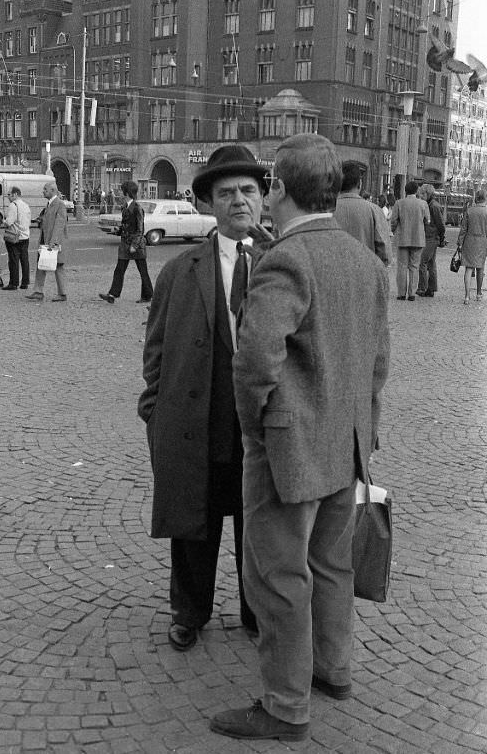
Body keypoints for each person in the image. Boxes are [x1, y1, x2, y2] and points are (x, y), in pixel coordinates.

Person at [210, 133, 390, 743]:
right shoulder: (366, 261)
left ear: (280, 188)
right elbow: (377, 363)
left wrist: (253, 430)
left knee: (279, 576)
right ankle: (332, 670)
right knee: (332, 564)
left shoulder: (287, 258)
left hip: (289, 444)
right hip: (348, 442)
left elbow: (255, 359)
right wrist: (364, 429)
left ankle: (286, 706)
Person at [138, 145, 269, 653]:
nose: (239, 201)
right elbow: (156, 348)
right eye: (226, 193)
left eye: (248, 191)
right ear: (209, 204)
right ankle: (189, 611)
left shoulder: (280, 264)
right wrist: (154, 410)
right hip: (197, 417)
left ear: (263, 198)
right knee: (195, 522)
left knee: (258, 526)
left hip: (257, 426)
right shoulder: (180, 270)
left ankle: (256, 612)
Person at [99, 179, 153, 304]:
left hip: (136, 245)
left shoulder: (137, 208)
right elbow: (126, 226)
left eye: (122, 191)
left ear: (127, 193)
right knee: (119, 270)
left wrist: (134, 245)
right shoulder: (126, 207)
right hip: (125, 244)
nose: (121, 193)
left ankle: (148, 295)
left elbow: (140, 229)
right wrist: (118, 230)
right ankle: (112, 294)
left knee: (143, 271)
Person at [334, 163, 391, 265]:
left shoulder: (327, 210)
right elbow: (385, 253)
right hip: (366, 272)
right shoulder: (374, 210)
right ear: (359, 183)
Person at [26, 181, 69, 302]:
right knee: (41, 265)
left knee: (58, 266)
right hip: (45, 241)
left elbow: (60, 224)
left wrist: (53, 241)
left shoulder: (59, 204)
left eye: (45, 189)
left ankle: (62, 293)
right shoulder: (49, 204)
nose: (43, 191)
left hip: (53, 242)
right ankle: (38, 291)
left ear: (53, 191)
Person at [391, 180, 430, 300]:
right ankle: (412, 293)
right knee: (414, 266)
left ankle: (401, 293)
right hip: (418, 238)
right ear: (416, 191)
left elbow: (393, 221)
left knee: (402, 266)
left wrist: (394, 230)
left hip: (403, 238)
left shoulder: (399, 203)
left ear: (405, 191)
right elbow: (427, 221)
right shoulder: (423, 204)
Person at [457, 189, 487, 304]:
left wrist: (459, 243)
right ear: (485, 198)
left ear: (476, 198)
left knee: (468, 269)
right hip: (482, 242)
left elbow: (463, 229)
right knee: (480, 268)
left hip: (469, 241)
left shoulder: (469, 211)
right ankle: (479, 293)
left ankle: (467, 296)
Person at [416, 184, 446, 298]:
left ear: (428, 194)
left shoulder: (434, 206)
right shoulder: (429, 204)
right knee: (431, 264)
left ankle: (422, 288)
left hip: (431, 237)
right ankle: (431, 288)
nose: (421, 196)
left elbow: (441, 224)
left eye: (423, 194)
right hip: (429, 236)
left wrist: (441, 237)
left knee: (422, 262)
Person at [1, 187, 31, 291]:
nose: (8, 197)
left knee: (13, 260)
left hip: (14, 236)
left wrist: (4, 221)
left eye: (9, 194)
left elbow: (9, 221)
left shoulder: (13, 205)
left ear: (15, 194)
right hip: (25, 235)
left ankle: (13, 283)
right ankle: (25, 282)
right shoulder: (26, 205)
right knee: (24, 259)